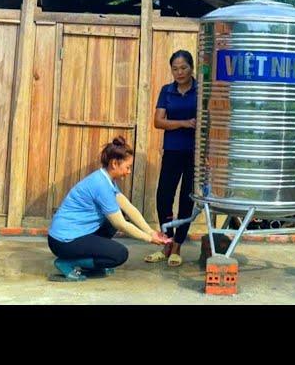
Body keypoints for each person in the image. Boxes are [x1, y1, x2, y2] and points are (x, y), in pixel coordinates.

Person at [47, 136, 171, 281]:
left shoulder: (106, 179)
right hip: (63, 241)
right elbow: (121, 224)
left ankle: (92, 261)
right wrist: (149, 239)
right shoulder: (101, 185)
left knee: (109, 223)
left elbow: (128, 207)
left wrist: (151, 231)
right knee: (119, 254)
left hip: (73, 235)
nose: (129, 171)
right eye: (127, 167)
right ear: (114, 163)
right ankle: (68, 262)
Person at [144, 50, 197, 267]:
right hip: (172, 150)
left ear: (191, 68)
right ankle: (167, 241)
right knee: (164, 196)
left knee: (187, 198)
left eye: (183, 68)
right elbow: (158, 121)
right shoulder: (167, 91)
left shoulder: (201, 90)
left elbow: (207, 119)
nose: (179, 72)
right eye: (175, 68)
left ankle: (177, 246)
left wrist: (173, 122)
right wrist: (184, 123)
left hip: (195, 153)